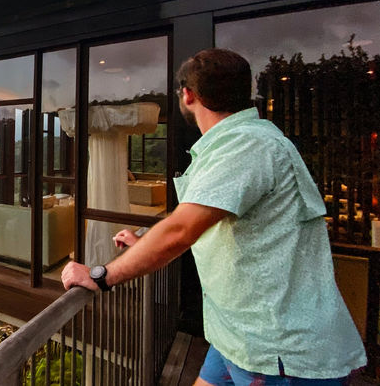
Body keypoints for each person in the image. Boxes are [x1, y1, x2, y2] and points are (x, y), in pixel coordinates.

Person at [61, 48, 366, 385]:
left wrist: (101, 275)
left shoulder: (247, 146)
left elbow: (181, 230)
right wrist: (144, 243)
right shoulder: (238, 144)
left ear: (188, 95)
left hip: (277, 350)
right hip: (235, 334)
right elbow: (218, 227)